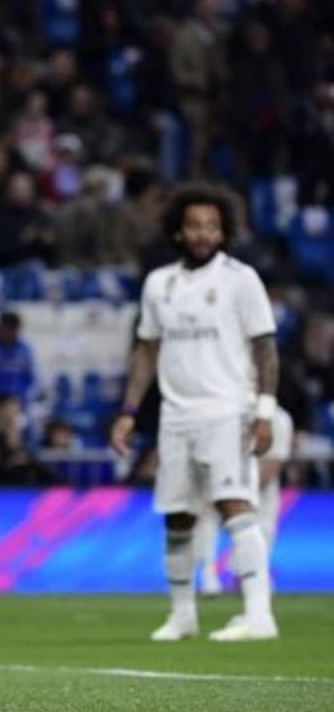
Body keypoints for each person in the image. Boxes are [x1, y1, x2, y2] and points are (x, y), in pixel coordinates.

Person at [111, 183, 280, 642]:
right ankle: (183, 614)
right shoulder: (158, 284)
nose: (204, 234)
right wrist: (128, 411)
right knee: (178, 515)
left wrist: (263, 411)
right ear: (179, 232)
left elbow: (265, 348)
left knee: (234, 504)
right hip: (175, 416)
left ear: (224, 232)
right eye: (194, 226)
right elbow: (146, 351)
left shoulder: (241, 279)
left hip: (228, 409)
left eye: (212, 226)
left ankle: (258, 615)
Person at [195, 405, 293, 595]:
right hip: (223, 481)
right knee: (206, 517)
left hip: (260, 491)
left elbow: (272, 466)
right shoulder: (226, 413)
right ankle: (208, 576)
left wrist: (243, 494)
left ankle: (248, 577)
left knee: (261, 528)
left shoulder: (280, 420)